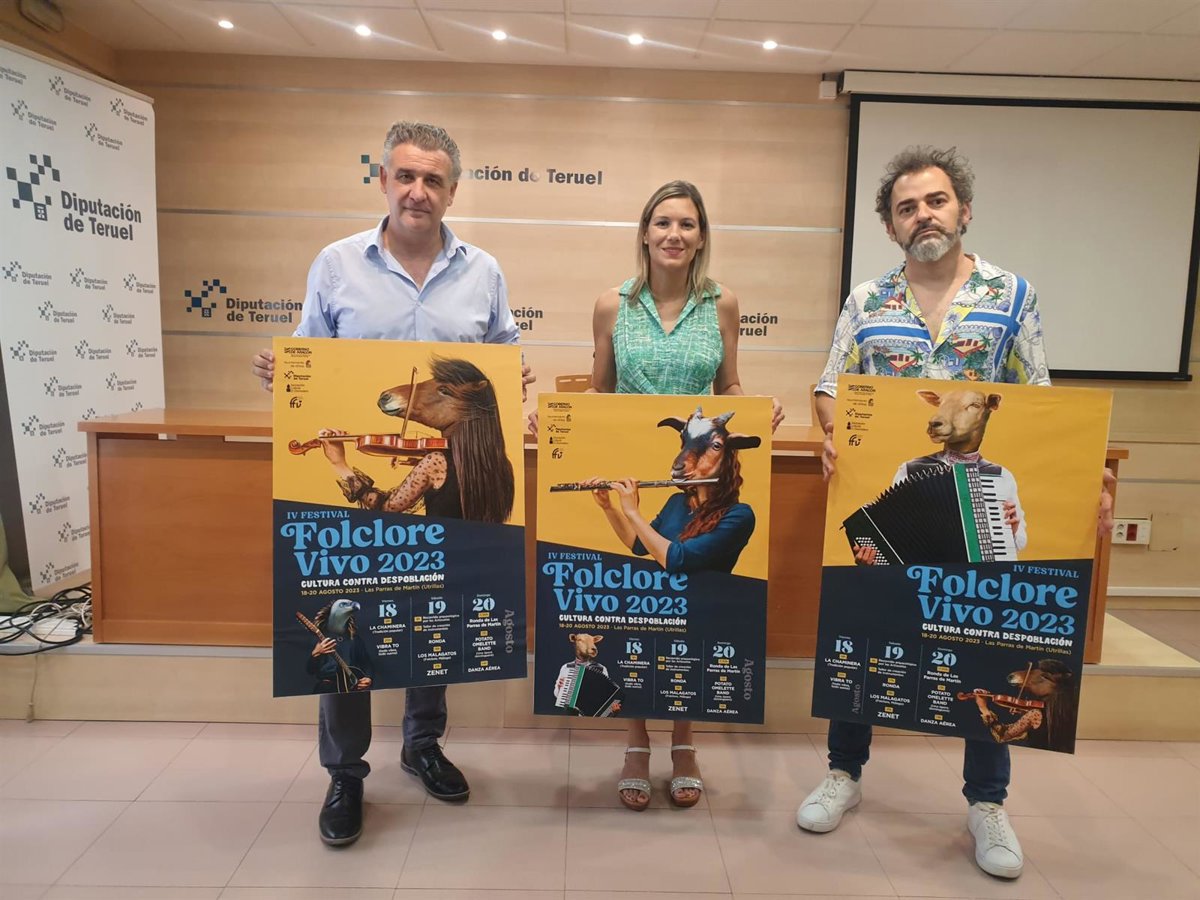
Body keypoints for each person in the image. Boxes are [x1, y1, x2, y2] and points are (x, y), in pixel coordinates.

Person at [796, 146, 1114, 879]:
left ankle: (987, 802)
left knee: (987, 641)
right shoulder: (867, 301)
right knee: (867, 632)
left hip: (981, 501)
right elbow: (831, 387)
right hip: (899, 490)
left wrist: (1085, 478)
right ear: (890, 226)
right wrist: (832, 434)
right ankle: (844, 772)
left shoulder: (1012, 294)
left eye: (935, 201)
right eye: (906, 208)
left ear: (963, 210)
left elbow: (1043, 399)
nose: (923, 216)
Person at [251, 120, 533, 848]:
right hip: (366, 517)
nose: (418, 191)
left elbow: (502, 360)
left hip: (447, 504)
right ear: (383, 180)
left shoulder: (484, 272)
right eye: (405, 176)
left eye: (433, 179)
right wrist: (285, 374)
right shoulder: (337, 264)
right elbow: (309, 363)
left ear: (452, 191)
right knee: (346, 627)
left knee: (434, 621)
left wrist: (515, 378)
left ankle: (422, 745)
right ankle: (345, 773)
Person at [586, 179, 783, 812]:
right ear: (645, 233)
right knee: (639, 609)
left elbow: (729, 387)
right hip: (642, 464)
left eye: (688, 224)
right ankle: (636, 742)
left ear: (701, 237)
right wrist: (557, 417)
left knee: (691, 611)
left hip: (697, 475)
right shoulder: (611, 304)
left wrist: (760, 408)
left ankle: (685, 741)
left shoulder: (723, 303)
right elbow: (600, 390)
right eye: (663, 222)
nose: (675, 234)